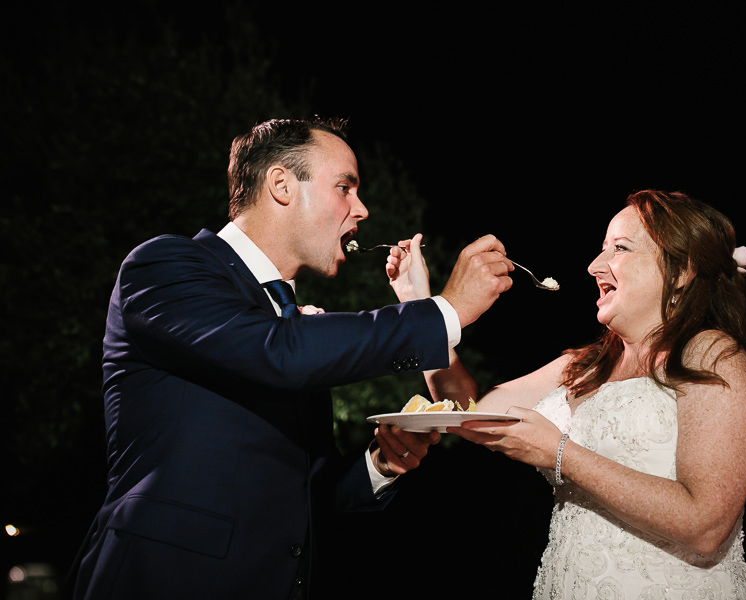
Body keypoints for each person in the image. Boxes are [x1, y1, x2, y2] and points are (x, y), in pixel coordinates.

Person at [68, 117, 514, 600]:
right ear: (281, 184)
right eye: (345, 187)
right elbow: (278, 352)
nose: (361, 209)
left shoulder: (286, 321)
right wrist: (445, 310)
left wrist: (378, 464)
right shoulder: (165, 267)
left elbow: (298, 499)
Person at [387, 190, 746, 599]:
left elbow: (707, 526)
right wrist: (420, 308)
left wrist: (559, 452)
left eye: (619, 249)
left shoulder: (713, 355)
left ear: (681, 270)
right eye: (600, 249)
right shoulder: (585, 364)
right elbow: (470, 412)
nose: (594, 267)